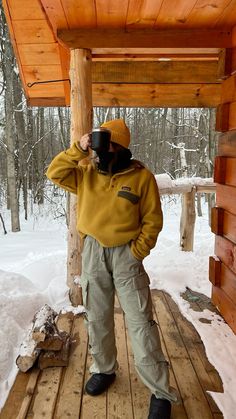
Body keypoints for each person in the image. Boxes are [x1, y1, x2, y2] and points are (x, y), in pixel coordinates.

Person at [46, 119, 178, 419]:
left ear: (122, 147)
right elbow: (54, 172)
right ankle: (104, 369)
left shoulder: (141, 176)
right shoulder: (86, 171)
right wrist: (77, 149)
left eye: (109, 145)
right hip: (93, 251)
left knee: (140, 323)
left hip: (126, 256)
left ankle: (160, 392)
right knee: (97, 317)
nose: (102, 151)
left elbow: (153, 221)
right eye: (99, 144)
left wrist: (136, 253)